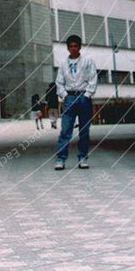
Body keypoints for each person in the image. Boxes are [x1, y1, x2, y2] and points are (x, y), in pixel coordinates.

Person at [54, 35, 97, 170]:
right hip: (70, 97)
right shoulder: (63, 63)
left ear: (79, 47)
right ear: (67, 48)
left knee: (84, 130)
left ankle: (82, 157)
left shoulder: (87, 60)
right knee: (66, 130)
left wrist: (88, 94)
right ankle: (61, 159)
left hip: (83, 96)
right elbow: (59, 82)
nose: (73, 49)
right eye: (71, 46)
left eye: (75, 46)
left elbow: (93, 77)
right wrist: (65, 95)